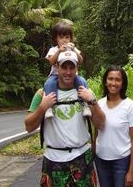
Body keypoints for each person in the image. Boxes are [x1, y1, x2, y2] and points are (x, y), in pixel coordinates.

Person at [24, 51, 105, 187]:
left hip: (82, 156)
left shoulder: (85, 92)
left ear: (76, 69)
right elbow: (28, 126)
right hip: (53, 158)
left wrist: (92, 101)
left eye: (71, 67)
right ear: (57, 67)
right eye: (64, 67)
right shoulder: (43, 93)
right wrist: (43, 107)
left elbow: (101, 124)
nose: (68, 72)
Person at [94, 66, 133, 187]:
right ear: (105, 81)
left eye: (117, 80)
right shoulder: (99, 104)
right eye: (110, 79)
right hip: (101, 160)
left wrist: (132, 171)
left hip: (121, 161)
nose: (113, 83)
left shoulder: (130, 106)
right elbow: (96, 133)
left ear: (123, 83)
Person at [44, 21, 90, 118]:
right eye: (61, 37)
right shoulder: (53, 49)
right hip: (55, 76)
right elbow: (51, 62)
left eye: (67, 37)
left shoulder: (73, 48)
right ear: (56, 39)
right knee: (49, 84)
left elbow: (81, 60)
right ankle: (49, 107)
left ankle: (85, 104)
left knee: (82, 81)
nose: (64, 40)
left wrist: (74, 50)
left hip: (73, 76)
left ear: (71, 38)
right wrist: (59, 51)